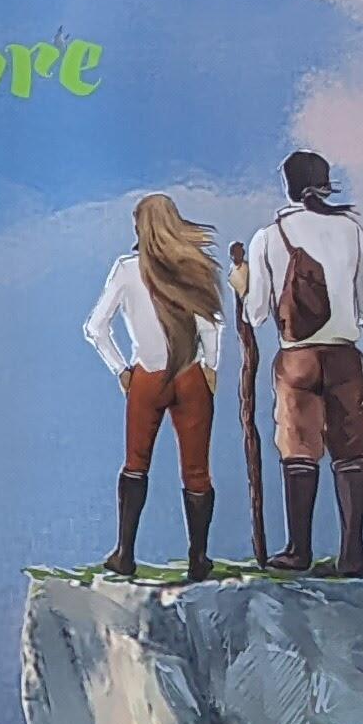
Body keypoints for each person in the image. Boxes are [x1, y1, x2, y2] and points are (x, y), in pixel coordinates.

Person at [241, 149, 363, 576]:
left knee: (298, 449)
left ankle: (298, 550)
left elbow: (256, 313)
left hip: (296, 359)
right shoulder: (352, 231)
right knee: (352, 450)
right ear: (326, 185)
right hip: (345, 357)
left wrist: (241, 285)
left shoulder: (268, 237)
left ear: (288, 186)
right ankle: (353, 553)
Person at [82, 193, 225, 581]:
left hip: (147, 377)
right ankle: (198, 558)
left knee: (135, 464)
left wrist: (120, 369)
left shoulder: (127, 269)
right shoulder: (194, 265)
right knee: (197, 471)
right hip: (191, 376)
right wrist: (211, 367)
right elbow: (211, 325)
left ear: (139, 227)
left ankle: (125, 553)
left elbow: (95, 327)